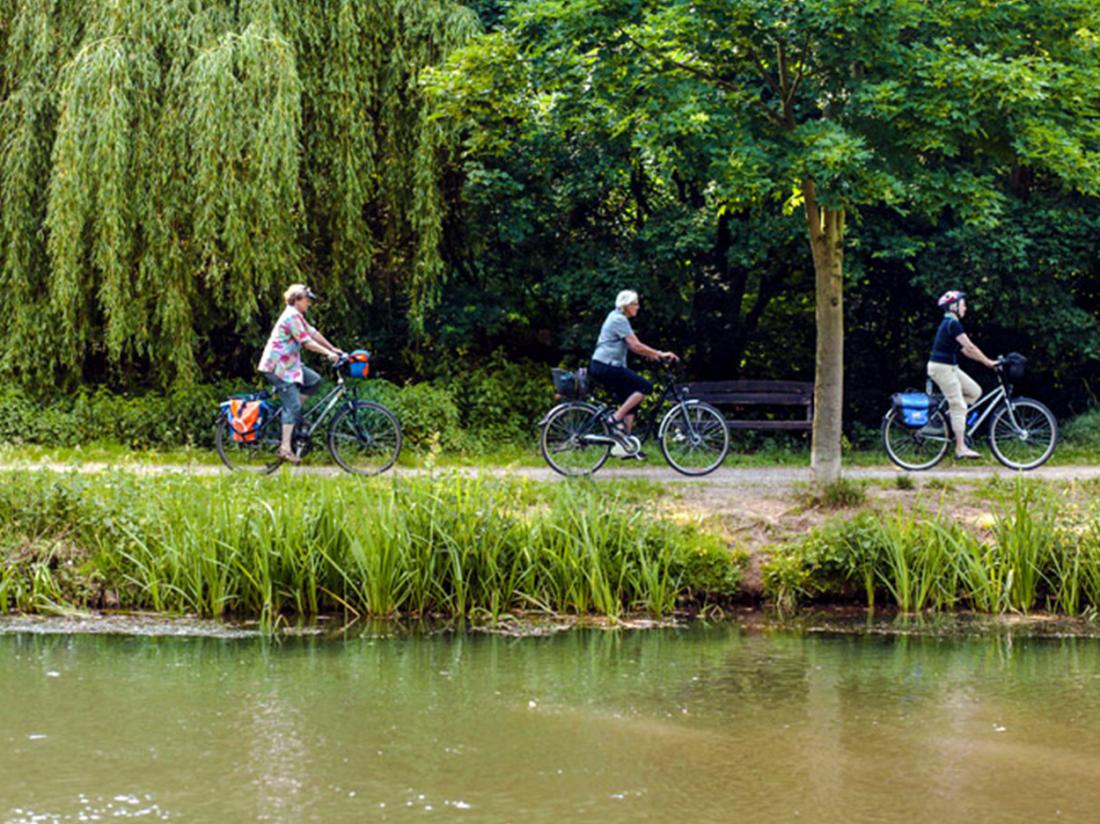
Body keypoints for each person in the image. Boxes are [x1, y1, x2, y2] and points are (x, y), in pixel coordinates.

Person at [258, 284, 345, 463]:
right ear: (296, 299)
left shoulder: (298, 316)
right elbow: (306, 341)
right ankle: (285, 448)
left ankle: (292, 414)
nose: (309, 303)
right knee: (293, 406)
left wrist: (332, 347)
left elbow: (312, 332)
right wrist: (328, 354)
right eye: (307, 299)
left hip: (290, 365)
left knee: (314, 380)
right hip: (277, 367)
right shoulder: (291, 316)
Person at [589, 289, 678, 457]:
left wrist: (652, 355)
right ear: (626, 306)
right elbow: (635, 346)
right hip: (606, 366)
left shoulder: (617, 317)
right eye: (635, 304)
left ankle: (626, 445)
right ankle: (615, 419)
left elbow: (634, 347)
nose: (638, 307)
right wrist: (659, 353)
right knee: (645, 387)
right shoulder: (618, 319)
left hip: (606, 365)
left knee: (631, 396)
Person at [927, 290, 998, 459]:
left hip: (949, 367)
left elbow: (966, 351)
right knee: (959, 405)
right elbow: (971, 347)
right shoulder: (952, 323)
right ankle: (960, 448)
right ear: (954, 306)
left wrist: (985, 361)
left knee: (974, 392)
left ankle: (948, 419)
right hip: (941, 368)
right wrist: (988, 362)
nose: (965, 307)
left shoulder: (950, 324)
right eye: (963, 304)